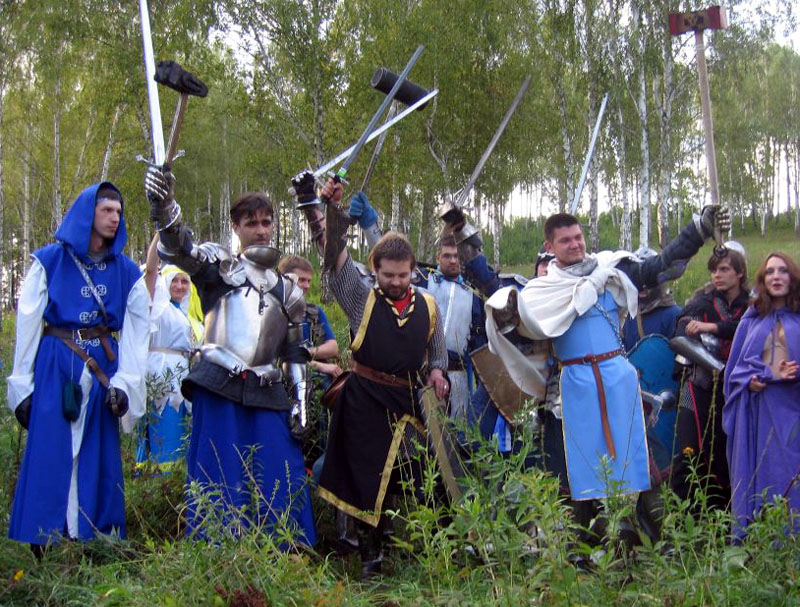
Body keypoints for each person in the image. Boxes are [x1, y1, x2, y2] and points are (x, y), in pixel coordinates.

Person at [483, 208, 729, 517]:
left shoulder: (611, 270)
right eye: (565, 240)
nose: (575, 244)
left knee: (640, 465)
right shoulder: (541, 293)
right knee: (575, 476)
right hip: (572, 392)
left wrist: (698, 230)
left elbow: (661, 266)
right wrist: (502, 307)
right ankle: (585, 537)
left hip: (619, 384)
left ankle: (646, 531)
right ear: (549, 246)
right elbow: (515, 330)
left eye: (578, 237)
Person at [144, 166, 315, 546]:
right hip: (219, 381)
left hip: (267, 388)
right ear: (236, 227)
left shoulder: (288, 291)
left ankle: (282, 549)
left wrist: (301, 402)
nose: (261, 230)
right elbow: (180, 249)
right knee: (217, 470)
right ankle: (218, 549)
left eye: (266, 222)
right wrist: (164, 207)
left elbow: (294, 351)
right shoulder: (220, 267)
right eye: (251, 222)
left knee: (281, 468)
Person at [292, 172, 447, 578]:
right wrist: (321, 208)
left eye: (403, 275)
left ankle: (425, 546)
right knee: (366, 479)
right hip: (365, 400)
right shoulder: (361, 296)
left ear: (413, 270)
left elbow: (436, 350)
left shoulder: (428, 304)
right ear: (375, 269)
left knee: (420, 473)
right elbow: (333, 254)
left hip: (410, 401)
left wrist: (438, 371)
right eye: (388, 275)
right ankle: (370, 558)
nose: (396, 282)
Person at [6, 183, 149, 551]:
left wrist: (126, 383)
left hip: (102, 364)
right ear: (87, 213)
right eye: (106, 210)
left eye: (119, 212)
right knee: (50, 446)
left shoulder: (126, 272)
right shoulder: (50, 261)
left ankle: (95, 535)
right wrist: (22, 384)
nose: (115, 218)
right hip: (57, 362)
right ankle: (44, 536)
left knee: (98, 451)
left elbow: (137, 332)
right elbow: (28, 322)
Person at [724, 252, 800, 537]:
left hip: (792, 412)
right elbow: (735, 373)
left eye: (782, 271)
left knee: (789, 475)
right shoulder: (752, 321)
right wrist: (753, 381)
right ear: (763, 279)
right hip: (757, 415)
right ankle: (759, 542)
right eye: (770, 272)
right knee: (758, 477)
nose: (776, 277)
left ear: (792, 278)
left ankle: (790, 544)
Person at [672, 248, 750, 509]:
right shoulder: (701, 303)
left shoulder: (751, 306)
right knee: (690, 455)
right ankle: (687, 520)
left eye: (724, 269)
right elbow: (681, 338)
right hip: (698, 387)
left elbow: (751, 329)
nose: (717, 275)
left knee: (732, 456)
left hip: (739, 390)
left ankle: (728, 517)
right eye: (714, 270)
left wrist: (714, 328)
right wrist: (718, 367)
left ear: (740, 273)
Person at [136, 234, 204, 472]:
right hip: (160, 372)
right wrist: (161, 234)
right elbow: (151, 271)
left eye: (184, 282)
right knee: (162, 424)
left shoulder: (186, 314)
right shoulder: (157, 307)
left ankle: (174, 477)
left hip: (181, 374)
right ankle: (159, 475)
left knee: (179, 427)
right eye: (175, 281)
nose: (180, 286)